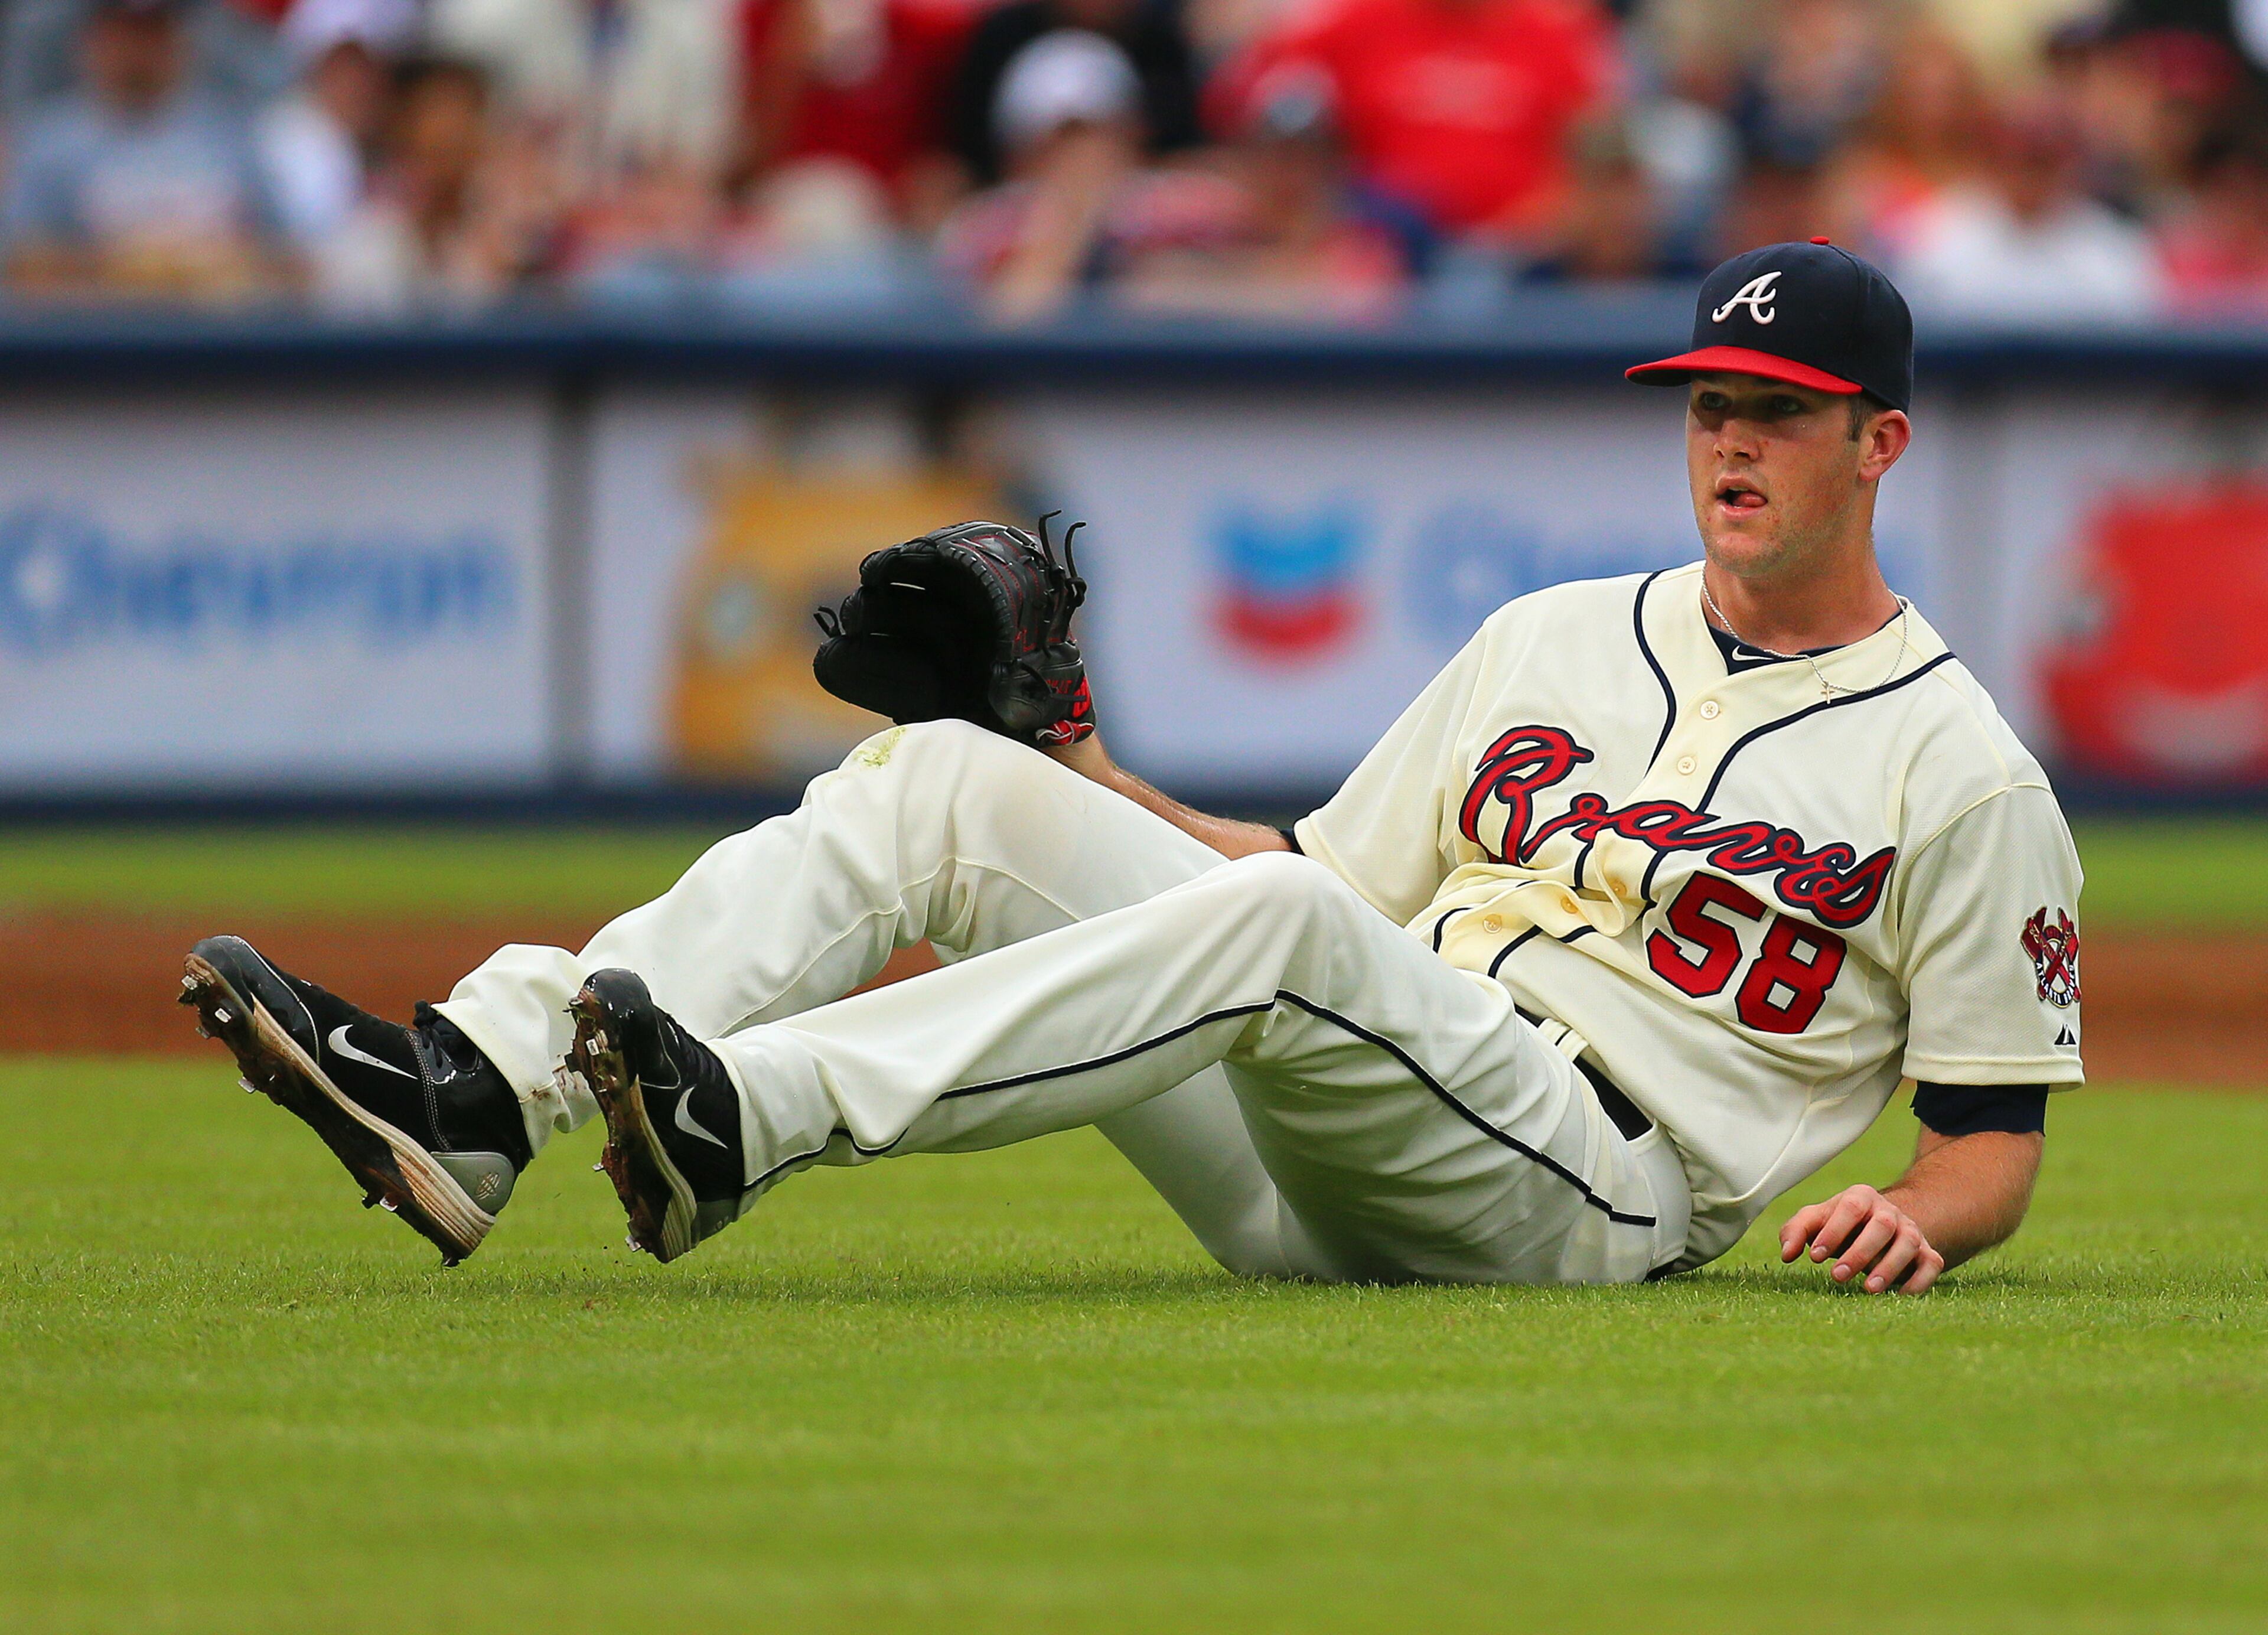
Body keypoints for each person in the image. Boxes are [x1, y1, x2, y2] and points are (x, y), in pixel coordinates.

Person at [185, 239, 2083, 1294]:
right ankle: (479, 1089)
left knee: (1265, 932)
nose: (1726, 441)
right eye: (1704, 407)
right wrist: (1075, 761)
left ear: (1879, 444)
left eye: (1776, 414)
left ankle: (743, 1117)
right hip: (1343, 1122)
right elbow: (1317, 889)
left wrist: (1919, 1213)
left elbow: (1989, 1134)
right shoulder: (1552, 635)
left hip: (1589, 1190)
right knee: (944, 781)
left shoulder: (1958, 766)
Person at [4, 0, 282, 298]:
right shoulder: (51, 141)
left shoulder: (232, 133)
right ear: (91, 43)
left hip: (216, 331)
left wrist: (211, 265)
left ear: (180, 42)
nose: (138, 51)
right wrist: (130, 268)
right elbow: (21, 264)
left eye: (153, 35)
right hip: (96, 333)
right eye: (124, 35)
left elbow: (289, 258)